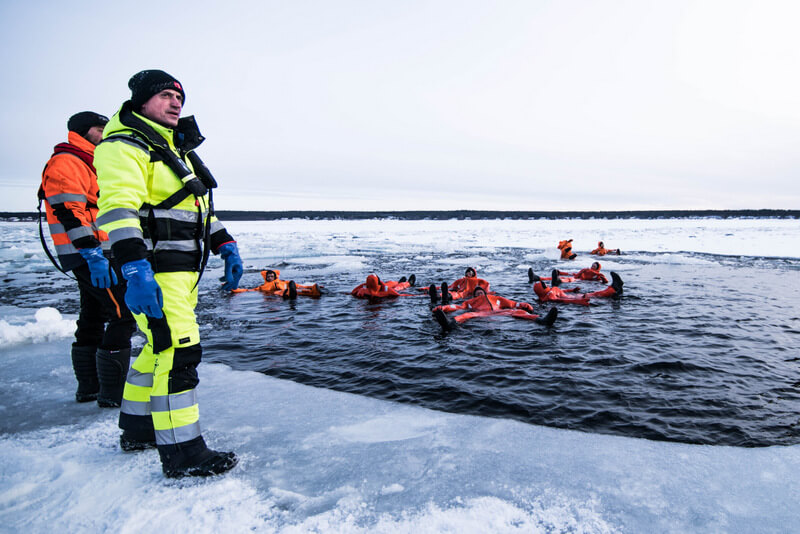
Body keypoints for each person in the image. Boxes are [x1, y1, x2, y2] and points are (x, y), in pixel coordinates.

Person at [95, 70, 243, 478]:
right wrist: (134, 267)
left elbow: (194, 209)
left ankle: (139, 429)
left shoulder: (171, 150)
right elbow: (118, 209)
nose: (176, 103)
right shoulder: (124, 147)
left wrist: (224, 243)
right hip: (154, 272)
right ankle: (183, 454)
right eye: (165, 95)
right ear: (142, 102)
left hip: (181, 275)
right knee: (179, 352)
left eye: (179, 97)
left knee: (154, 350)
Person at [39, 111, 136, 407]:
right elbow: (69, 209)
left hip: (95, 252)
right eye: (100, 127)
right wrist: (92, 253)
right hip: (90, 254)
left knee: (94, 315)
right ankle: (112, 395)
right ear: (84, 131)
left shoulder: (88, 160)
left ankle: (89, 388)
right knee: (122, 314)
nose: (106, 131)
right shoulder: (68, 161)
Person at [432, 286, 558, 331]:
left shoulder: (495, 298)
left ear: (485, 292)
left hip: (499, 311)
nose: (479, 294)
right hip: (480, 314)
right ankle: (449, 324)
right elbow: (458, 306)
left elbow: (513, 304)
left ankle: (542, 320)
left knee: (519, 312)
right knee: (465, 316)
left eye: (481, 292)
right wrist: (444, 308)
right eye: (477, 293)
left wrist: (526, 305)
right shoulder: (470, 301)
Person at [532, 270, 624, 306]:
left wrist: (572, 290)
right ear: (541, 289)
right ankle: (615, 288)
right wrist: (579, 302)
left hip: (574, 295)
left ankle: (615, 289)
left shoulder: (550, 292)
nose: (546, 285)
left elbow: (561, 291)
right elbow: (562, 301)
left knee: (596, 293)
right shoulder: (549, 296)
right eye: (544, 285)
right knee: (597, 294)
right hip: (576, 298)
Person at [232, 269, 322, 298]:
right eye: (268, 276)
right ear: (266, 277)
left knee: (295, 287)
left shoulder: (282, 282)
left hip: (289, 289)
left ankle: (312, 292)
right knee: (278, 292)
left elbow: (299, 285)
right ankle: (290, 292)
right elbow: (248, 290)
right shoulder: (263, 287)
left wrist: (310, 286)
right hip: (279, 294)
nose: (270, 278)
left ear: (274, 277)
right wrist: (234, 289)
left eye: (271, 276)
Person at [425, 266, 491, 304]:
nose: (468, 274)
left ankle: (445, 297)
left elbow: (486, 286)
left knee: (456, 295)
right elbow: (451, 286)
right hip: (459, 292)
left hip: (467, 294)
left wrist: (484, 293)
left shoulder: (478, 280)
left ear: (473, 273)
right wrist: (426, 288)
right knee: (451, 293)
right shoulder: (461, 280)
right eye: (467, 272)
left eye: (470, 272)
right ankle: (436, 296)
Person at [528, 262, 608, 284]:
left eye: (594, 266)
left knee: (569, 279)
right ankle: (537, 278)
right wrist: (560, 272)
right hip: (577, 277)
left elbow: (604, 280)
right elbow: (572, 274)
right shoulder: (586, 270)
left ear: (597, 268)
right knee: (564, 277)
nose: (592, 267)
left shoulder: (596, 275)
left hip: (579, 281)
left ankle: (559, 281)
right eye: (592, 265)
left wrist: (601, 278)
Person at [351, 274, 416, 299]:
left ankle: (398, 282)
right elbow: (398, 294)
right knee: (398, 288)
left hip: (378, 287)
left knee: (389, 283)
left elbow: (353, 291)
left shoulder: (362, 290)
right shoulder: (384, 292)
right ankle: (408, 283)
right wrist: (420, 295)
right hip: (385, 290)